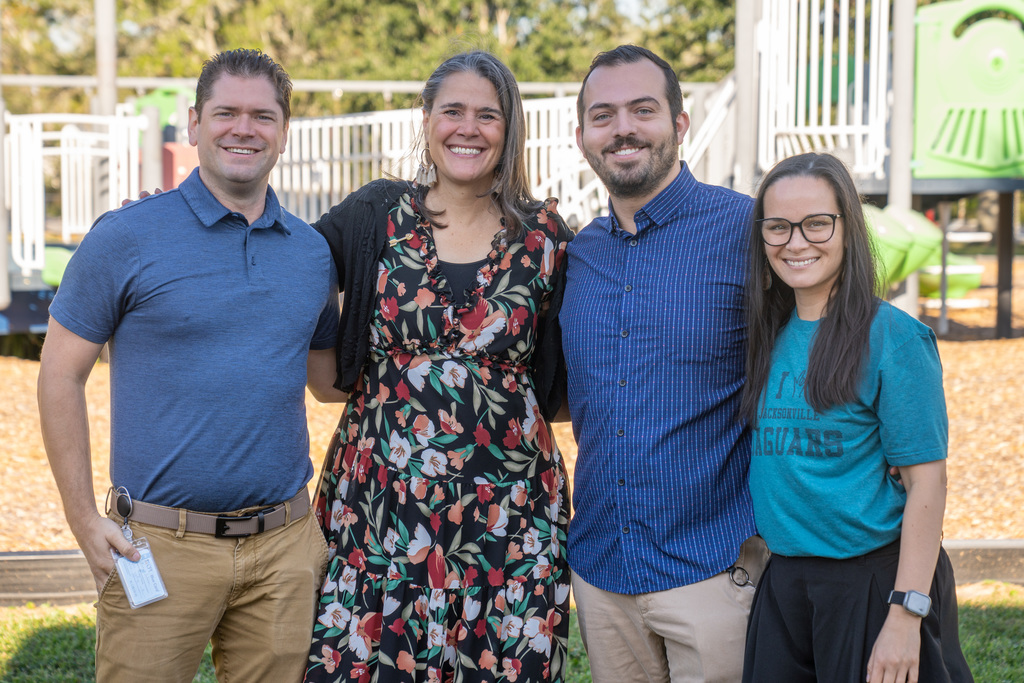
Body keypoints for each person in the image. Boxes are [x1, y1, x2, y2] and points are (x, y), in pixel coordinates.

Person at [37, 49, 342, 683]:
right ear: (194, 123)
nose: (243, 129)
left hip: (284, 548)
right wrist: (83, 519)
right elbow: (60, 374)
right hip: (157, 546)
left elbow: (327, 383)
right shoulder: (126, 236)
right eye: (225, 112)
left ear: (284, 131)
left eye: (262, 116)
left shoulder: (312, 254)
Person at [302, 50, 574, 682]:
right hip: (380, 506)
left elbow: (572, 362)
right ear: (426, 119)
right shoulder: (376, 216)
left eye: (488, 115)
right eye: (452, 110)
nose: (467, 129)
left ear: (510, 128)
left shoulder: (544, 237)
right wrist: (175, 219)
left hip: (508, 515)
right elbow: (281, 253)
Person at [560, 44, 767, 682]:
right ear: (582, 136)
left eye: (642, 110)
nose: (623, 128)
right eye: (603, 115)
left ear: (680, 123)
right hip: (602, 572)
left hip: (714, 569)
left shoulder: (747, 231)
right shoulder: (578, 255)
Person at [740, 152, 972, 683]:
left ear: (849, 226)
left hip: (874, 581)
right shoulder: (767, 334)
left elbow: (927, 482)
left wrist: (906, 614)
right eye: (778, 227)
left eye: (817, 223)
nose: (796, 242)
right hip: (786, 583)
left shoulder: (894, 338)